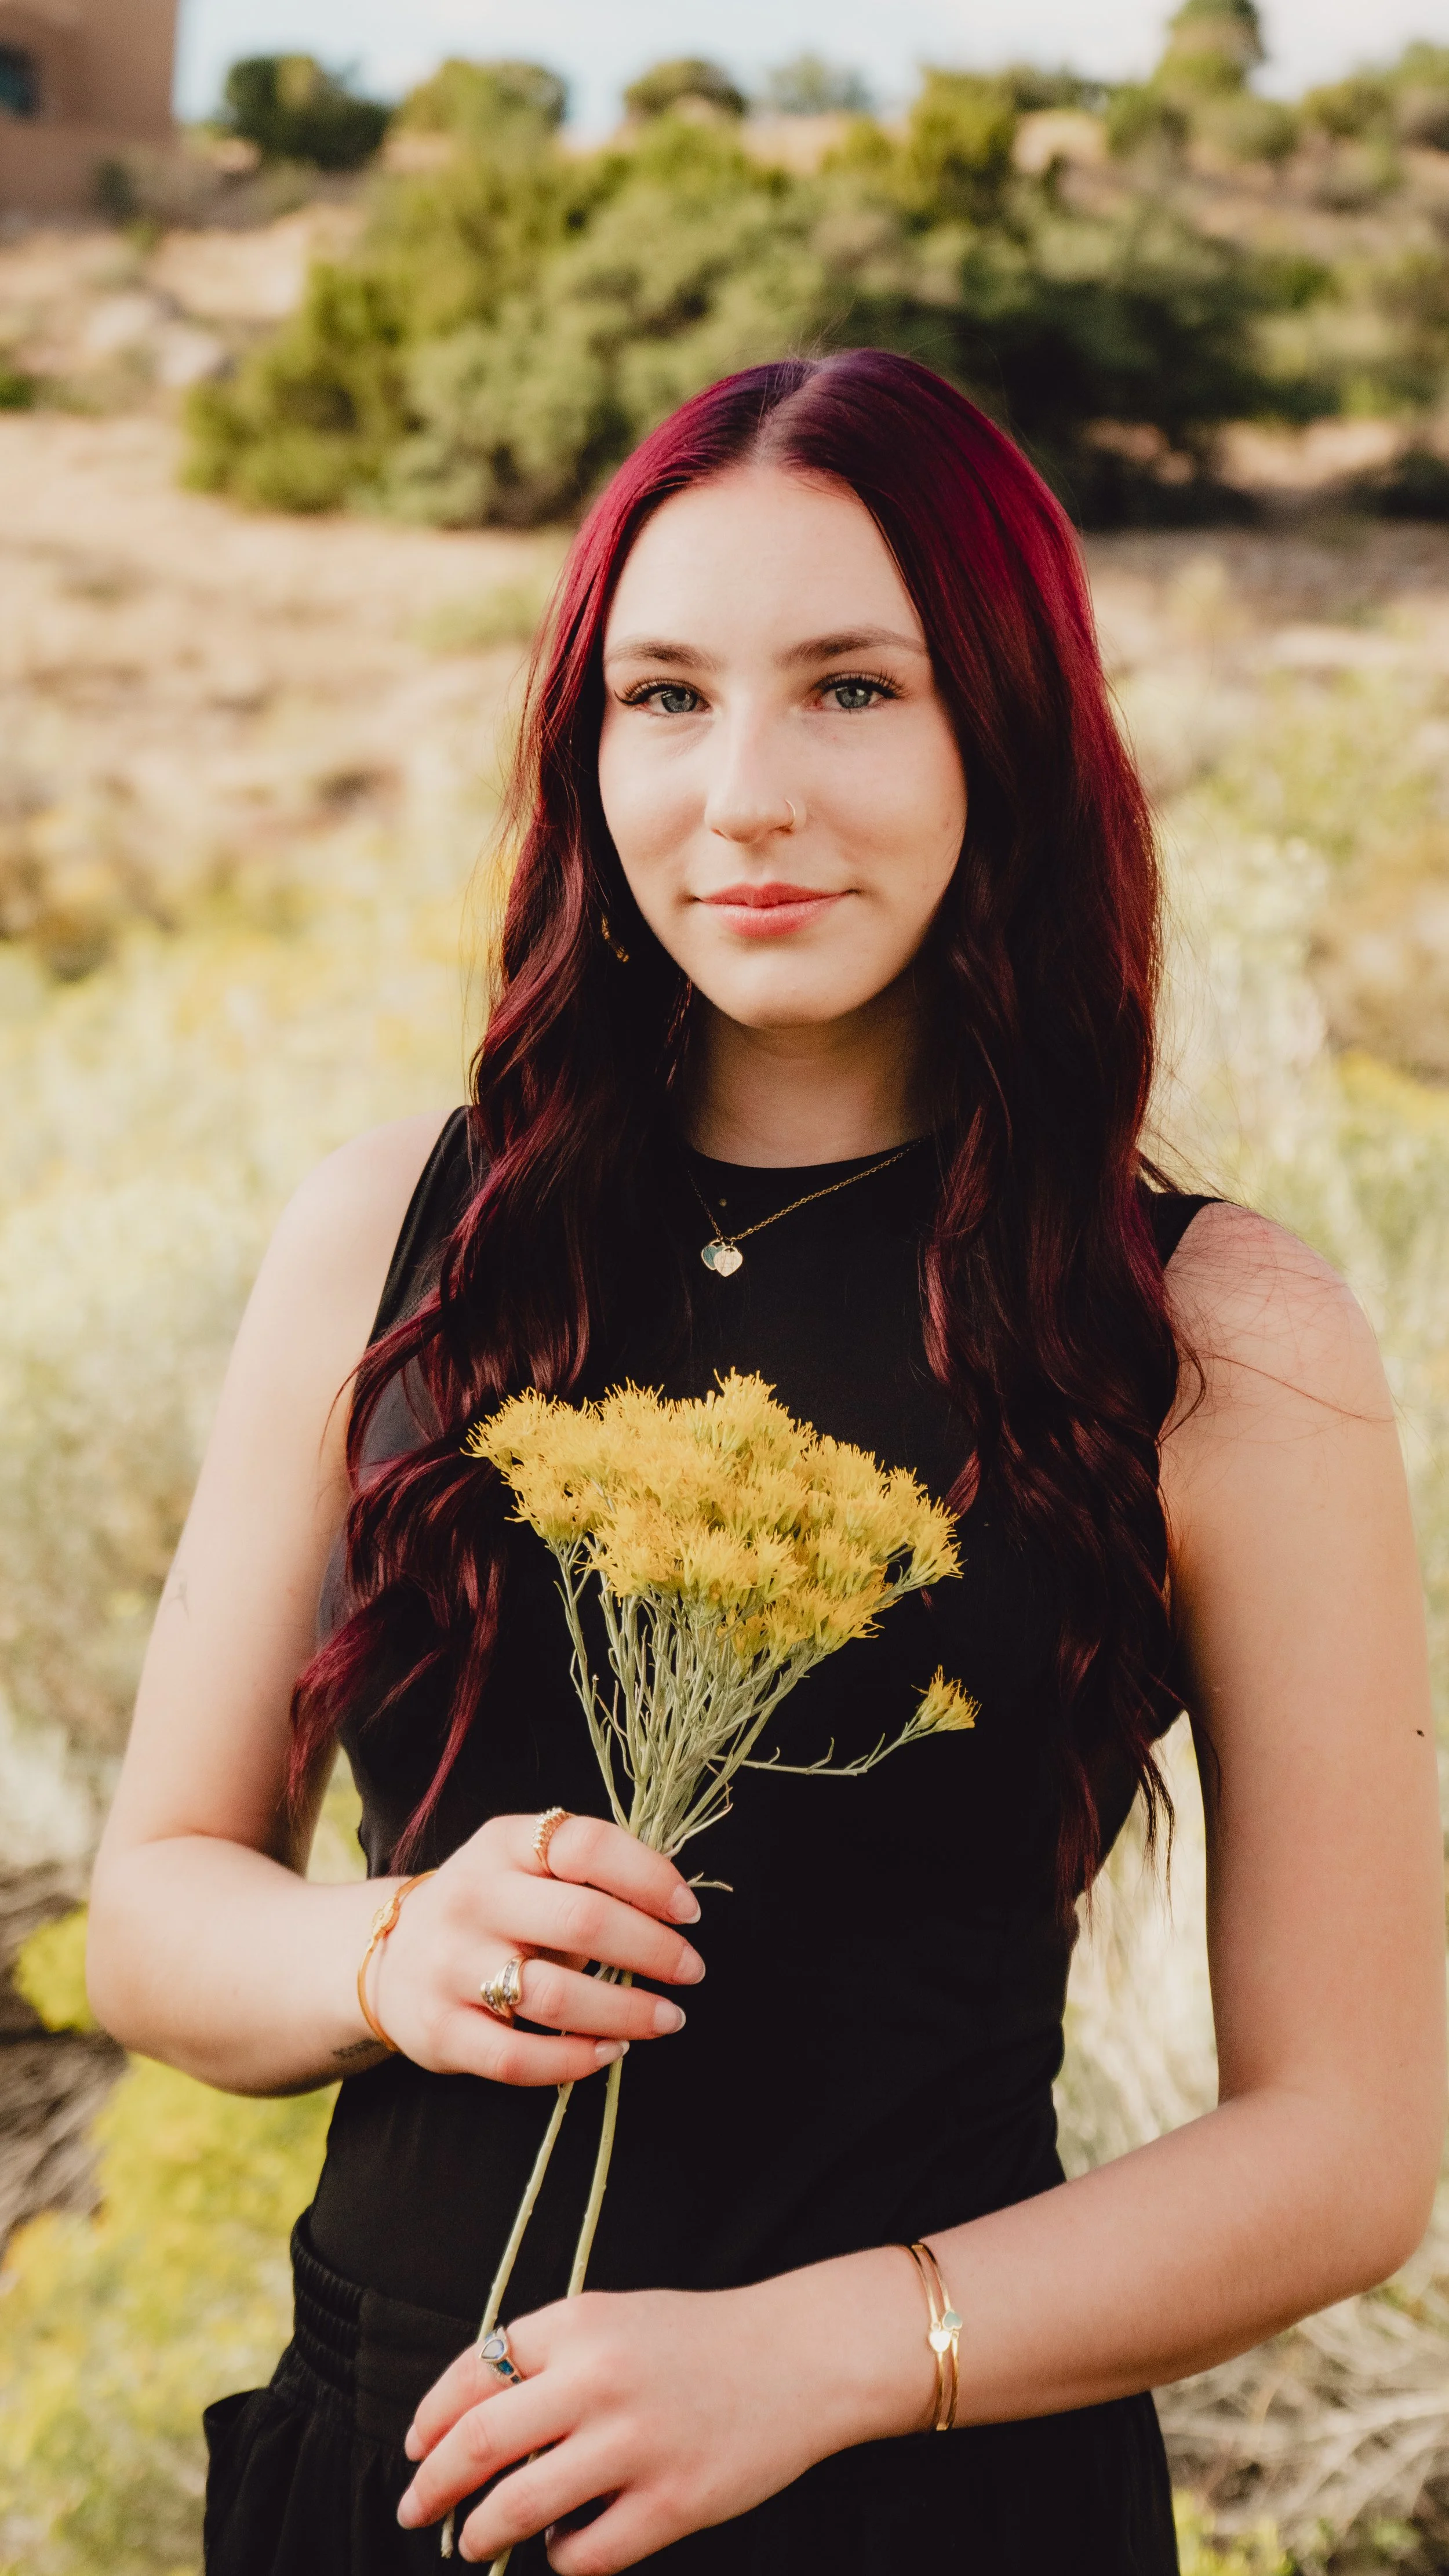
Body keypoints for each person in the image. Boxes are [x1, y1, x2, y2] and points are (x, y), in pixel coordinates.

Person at [86, 351, 1444, 2576]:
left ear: (1002, 729)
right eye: (662, 697)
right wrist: (389, 1950)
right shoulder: (396, 1235)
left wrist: (816, 2358)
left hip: (924, 2504)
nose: (738, 796)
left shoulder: (1215, 1332)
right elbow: (153, 1919)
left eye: (847, 690)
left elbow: (1348, 2145)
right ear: (583, 745)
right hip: (385, 2482)